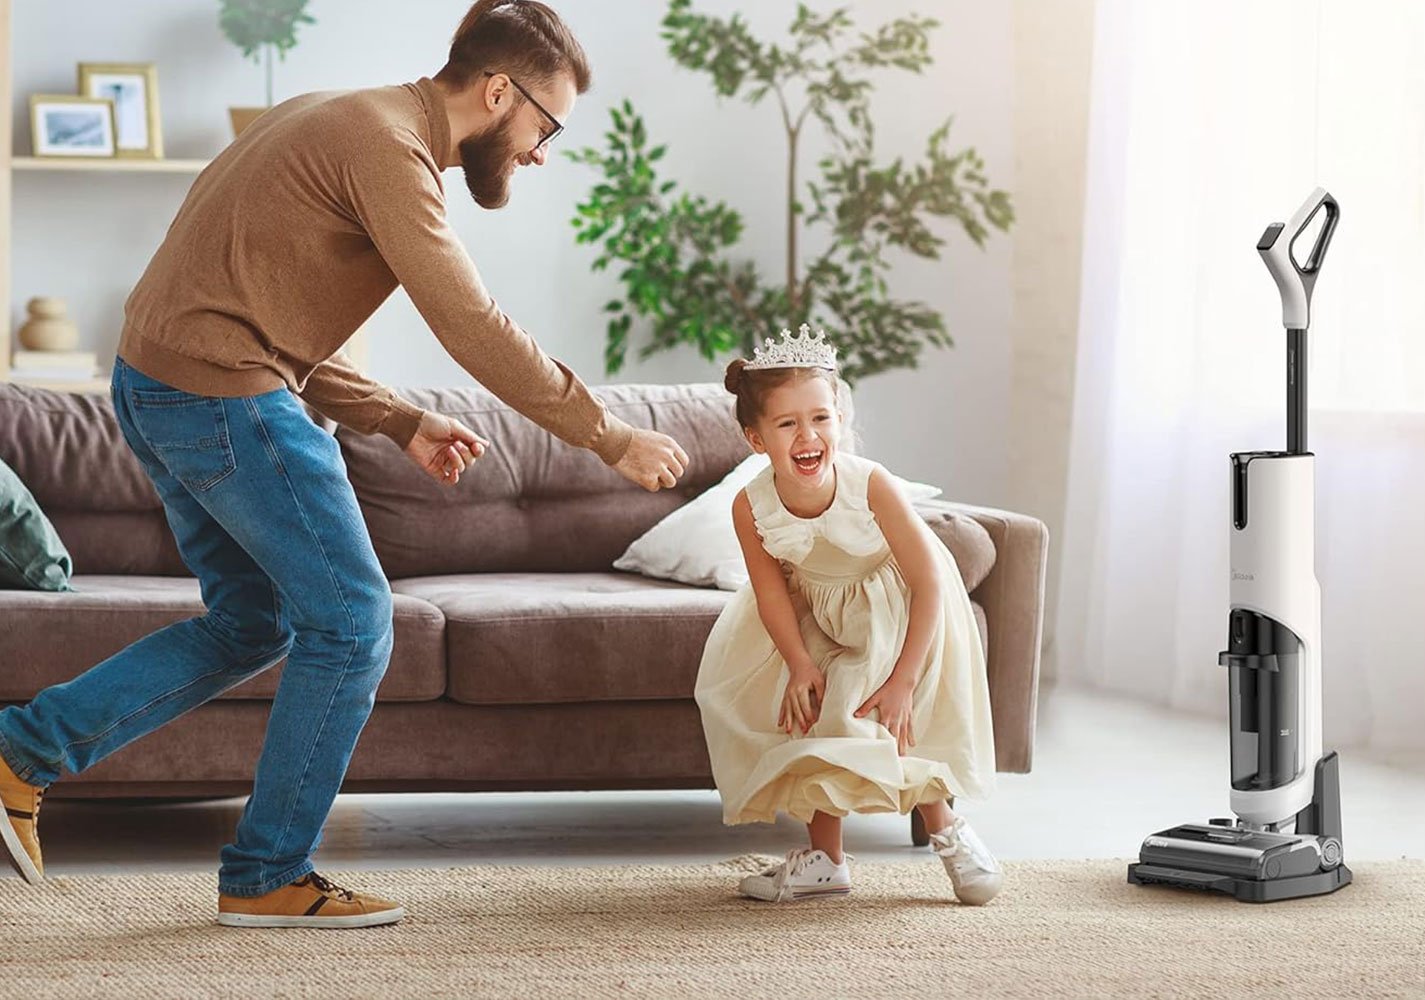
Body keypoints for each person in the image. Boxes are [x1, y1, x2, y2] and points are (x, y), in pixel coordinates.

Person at [0, 0, 688, 929]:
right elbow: (472, 325)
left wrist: (400, 421)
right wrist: (608, 433)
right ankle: (266, 873)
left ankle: (20, 754)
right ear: (498, 91)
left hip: (161, 382)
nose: (540, 153)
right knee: (355, 621)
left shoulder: (343, 114)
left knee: (256, 620)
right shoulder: (389, 152)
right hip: (220, 397)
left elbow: (264, 312)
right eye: (546, 126)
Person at [694, 325, 1003, 906]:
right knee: (817, 716)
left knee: (883, 718)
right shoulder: (750, 504)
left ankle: (948, 832)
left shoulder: (871, 484)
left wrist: (904, 680)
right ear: (757, 439)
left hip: (899, 609)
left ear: (839, 419)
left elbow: (928, 579)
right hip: (818, 613)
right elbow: (769, 592)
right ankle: (826, 862)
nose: (807, 435)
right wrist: (798, 663)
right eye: (787, 424)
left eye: (820, 418)